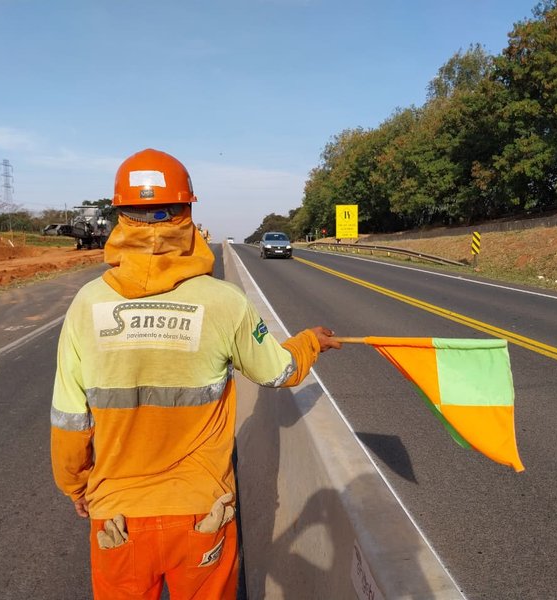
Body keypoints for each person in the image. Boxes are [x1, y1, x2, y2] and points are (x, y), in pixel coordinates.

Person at [50, 148, 341, 599]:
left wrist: (75, 486)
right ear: (187, 213)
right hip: (202, 515)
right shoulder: (223, 302)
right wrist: (308, 343)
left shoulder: (86, 306)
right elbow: (278, 371)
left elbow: (70, 420)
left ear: (120, 216)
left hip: (117, 518)